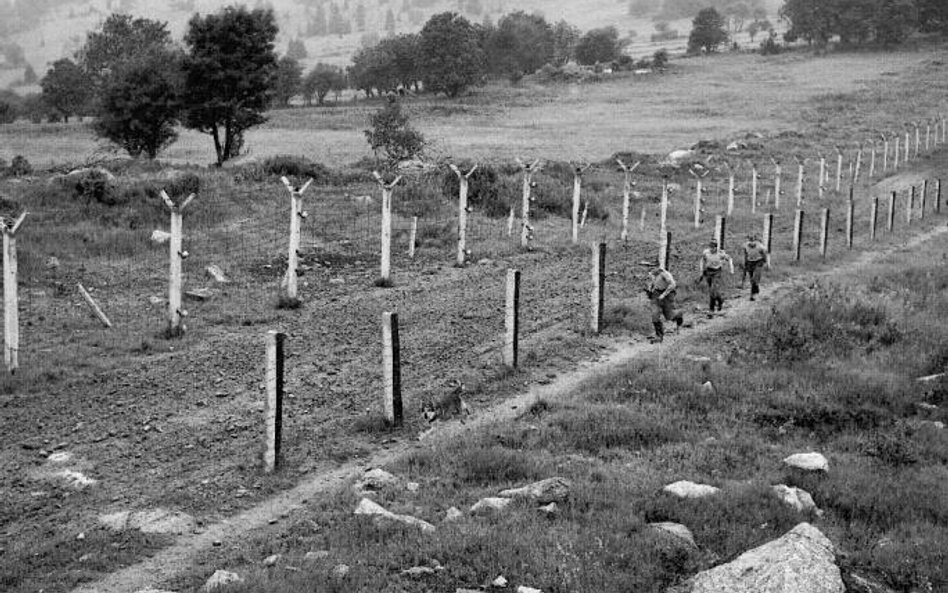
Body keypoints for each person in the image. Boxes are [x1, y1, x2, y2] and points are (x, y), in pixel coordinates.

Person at [645, 266, 683, 343]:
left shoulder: (665, 274)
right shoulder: (652, 275)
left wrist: (664, 295)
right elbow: (651, 285)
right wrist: (649, 291)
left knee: (669, 316)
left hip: (668, 294)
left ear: (657, 268)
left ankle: (679, 314)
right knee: (654, 314)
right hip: (656, 293)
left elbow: (673, 285)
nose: (651, 271)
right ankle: (659, 335)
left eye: (652, 268)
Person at [699, 239, 734, 314]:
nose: (712, 249)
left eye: (713, 247)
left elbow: (729, 259)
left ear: (716, 247)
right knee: (713, 290)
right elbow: (702, 260)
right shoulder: (706, 252)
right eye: (710, 247)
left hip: (717, 272)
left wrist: (731, 269)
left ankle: (711, 309)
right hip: (708, 271)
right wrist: (701, 270)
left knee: (713, 290)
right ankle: (720, 301)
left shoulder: (720, 253)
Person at [741, 233, 771, 301]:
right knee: (752, 279)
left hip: (758, 262)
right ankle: (756, 287)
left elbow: (765, 254)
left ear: (756, 241)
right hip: (750, 262)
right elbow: (745, 253)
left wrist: (767, 263)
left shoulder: (760, 246)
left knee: (755, 278)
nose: (752, 243)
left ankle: (752, 295)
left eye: (753, 241)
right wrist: (745, 262)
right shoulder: (745, 245)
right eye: (750, 241)